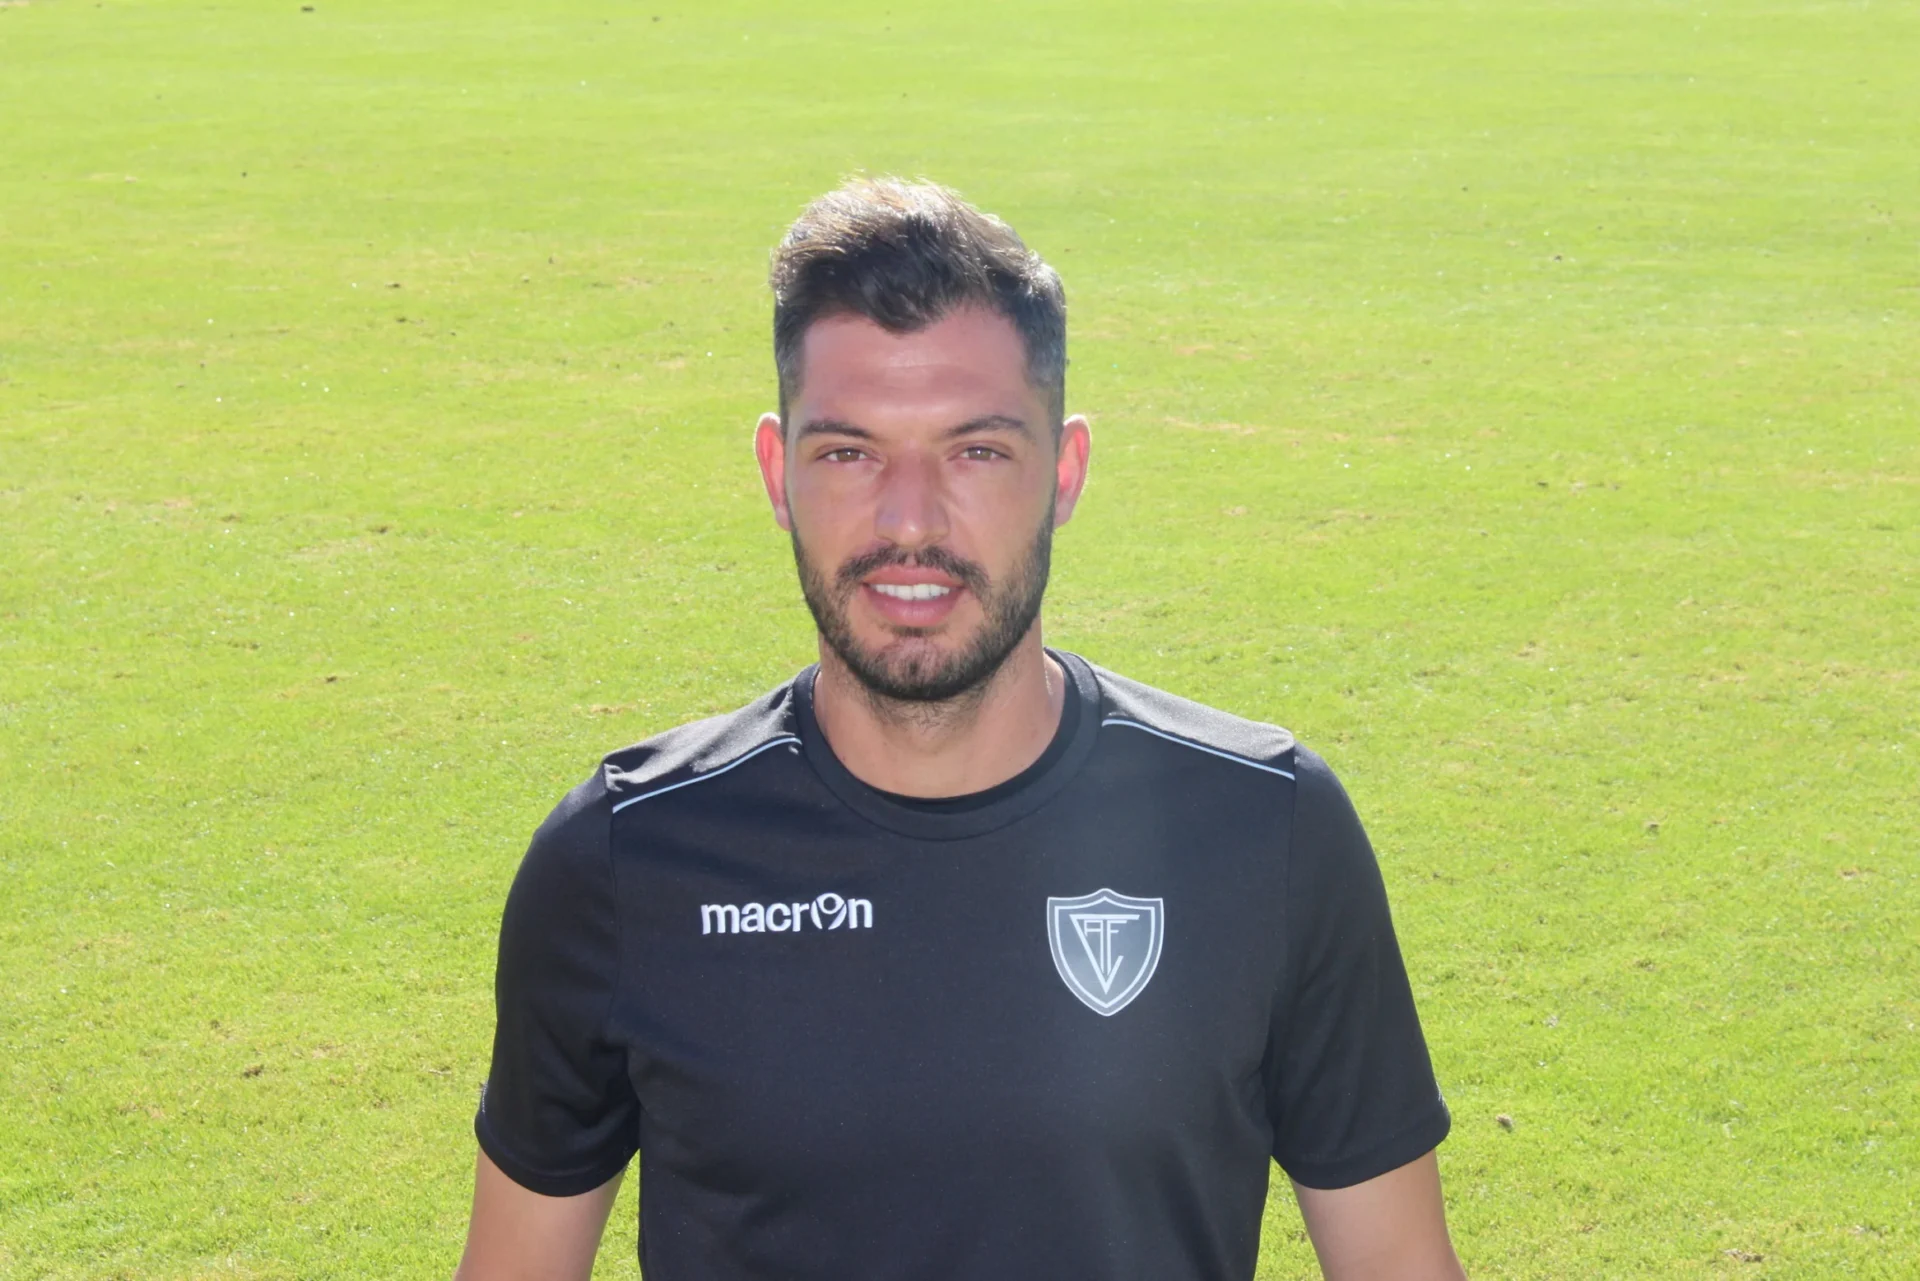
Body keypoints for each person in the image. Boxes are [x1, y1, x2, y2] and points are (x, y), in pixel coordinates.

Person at [452, 178, 1464, 1281]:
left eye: (976, 451)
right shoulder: (624, 856)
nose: (910, 521)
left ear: (1064, 472)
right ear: (777, 473)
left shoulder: (1265, 829)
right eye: (849, 452)